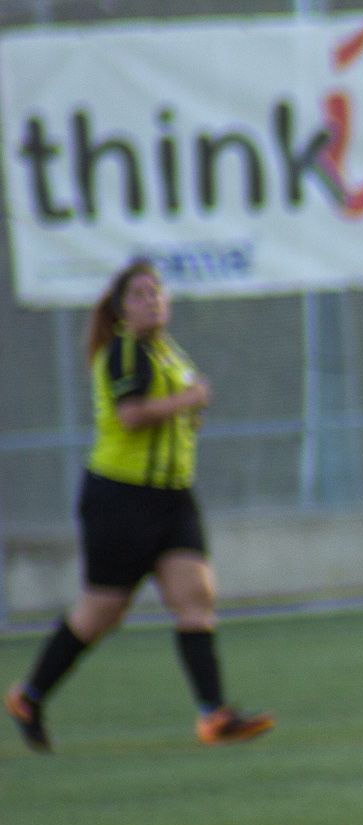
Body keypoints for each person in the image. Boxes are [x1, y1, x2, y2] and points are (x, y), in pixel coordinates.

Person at [5, 260, 271, 752]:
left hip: (172, 496)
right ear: (121, 309)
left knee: (196, 596)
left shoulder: (168, 352)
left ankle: (214, 715)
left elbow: (179, 413)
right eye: (139, 294)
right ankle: (30, 695)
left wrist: (190, 411)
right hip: (121, 497)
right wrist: (189, 400)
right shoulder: (124, 351)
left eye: (156, 292)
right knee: (101, 611)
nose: (151, 300)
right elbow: (131, 416)